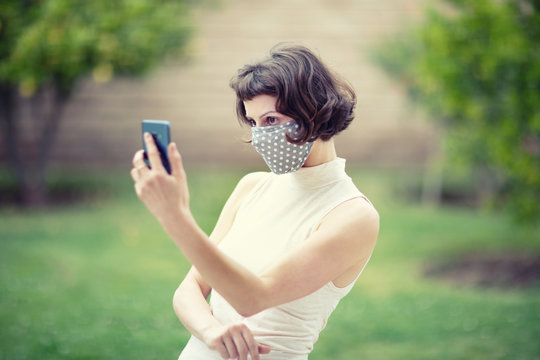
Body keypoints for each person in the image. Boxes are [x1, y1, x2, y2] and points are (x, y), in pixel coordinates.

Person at [130, 43, 379, 360]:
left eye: (271, 120)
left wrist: (174, 217)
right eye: (254, 122)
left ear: (314, 111)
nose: (260, 135)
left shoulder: (353, 215)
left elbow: (253, 297)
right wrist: (212, 332)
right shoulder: (252, 186)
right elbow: (189, 288)